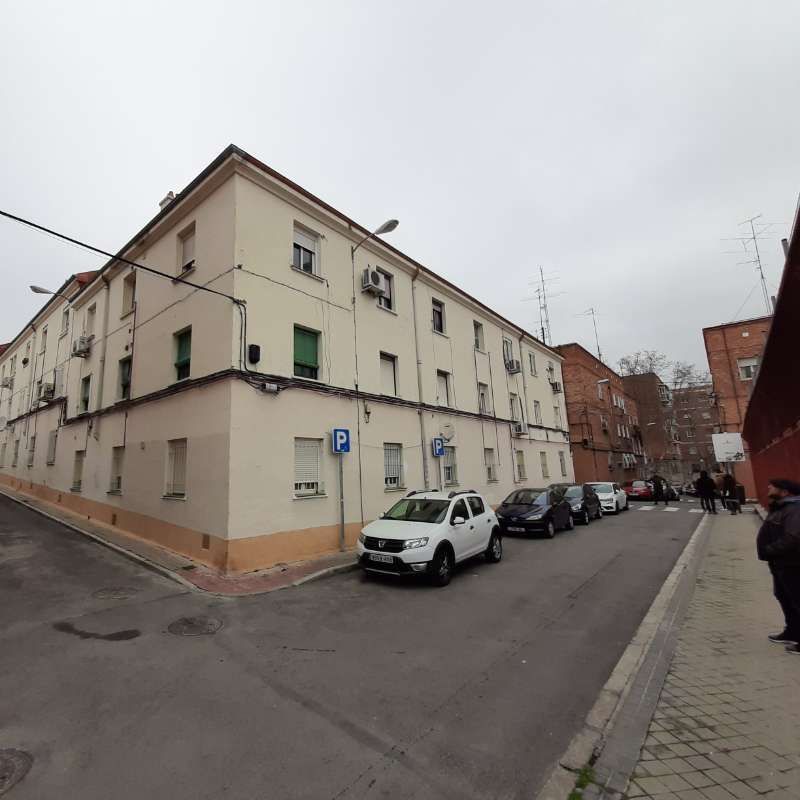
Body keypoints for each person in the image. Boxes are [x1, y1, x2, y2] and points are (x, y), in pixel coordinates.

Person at [756, 479, 800, 653]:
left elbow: (794, 537)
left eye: (772, 486)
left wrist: (770, 550)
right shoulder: (781, 507)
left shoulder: (794, 509)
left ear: (785, 491)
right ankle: (793, 631)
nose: (768, 488)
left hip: (793, 563)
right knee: (785, 597)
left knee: (797, 600)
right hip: (780, 564)